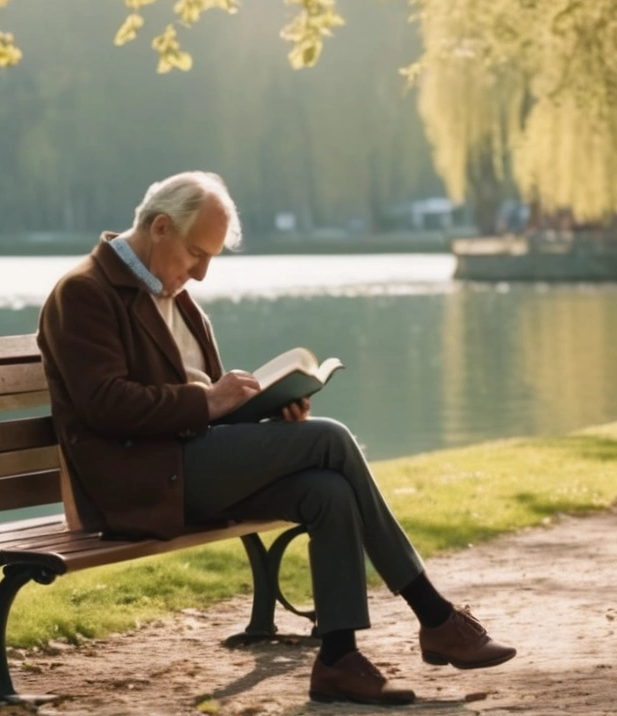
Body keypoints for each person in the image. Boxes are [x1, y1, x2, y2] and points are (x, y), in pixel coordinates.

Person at [36, 171, 516, 705]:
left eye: (211, 258)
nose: (202, 273)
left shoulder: (177, 298)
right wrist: (211, 400)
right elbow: (105, 405)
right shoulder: (84, 293)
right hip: (137, 483)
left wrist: (263, 411)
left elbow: (206, 415)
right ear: (161, 227)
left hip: (186, 467)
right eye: (197, 254)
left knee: (326, 490)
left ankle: (339, 658)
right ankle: (434, 613)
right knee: (329, 440)